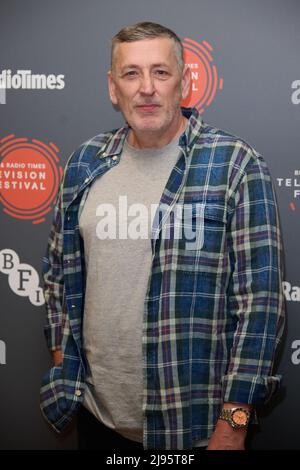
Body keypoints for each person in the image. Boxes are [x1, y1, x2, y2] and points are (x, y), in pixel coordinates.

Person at [40, 21, 285, 451]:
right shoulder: (84, 163)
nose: (146, 88)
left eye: (161, 72)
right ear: (113, 88)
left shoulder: (234, 164)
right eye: (131, 73)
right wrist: (64, 366)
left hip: (199, 429)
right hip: (99, 420)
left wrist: (234, 426)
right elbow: (58, 274)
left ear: (184, 83)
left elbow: (261, 307)